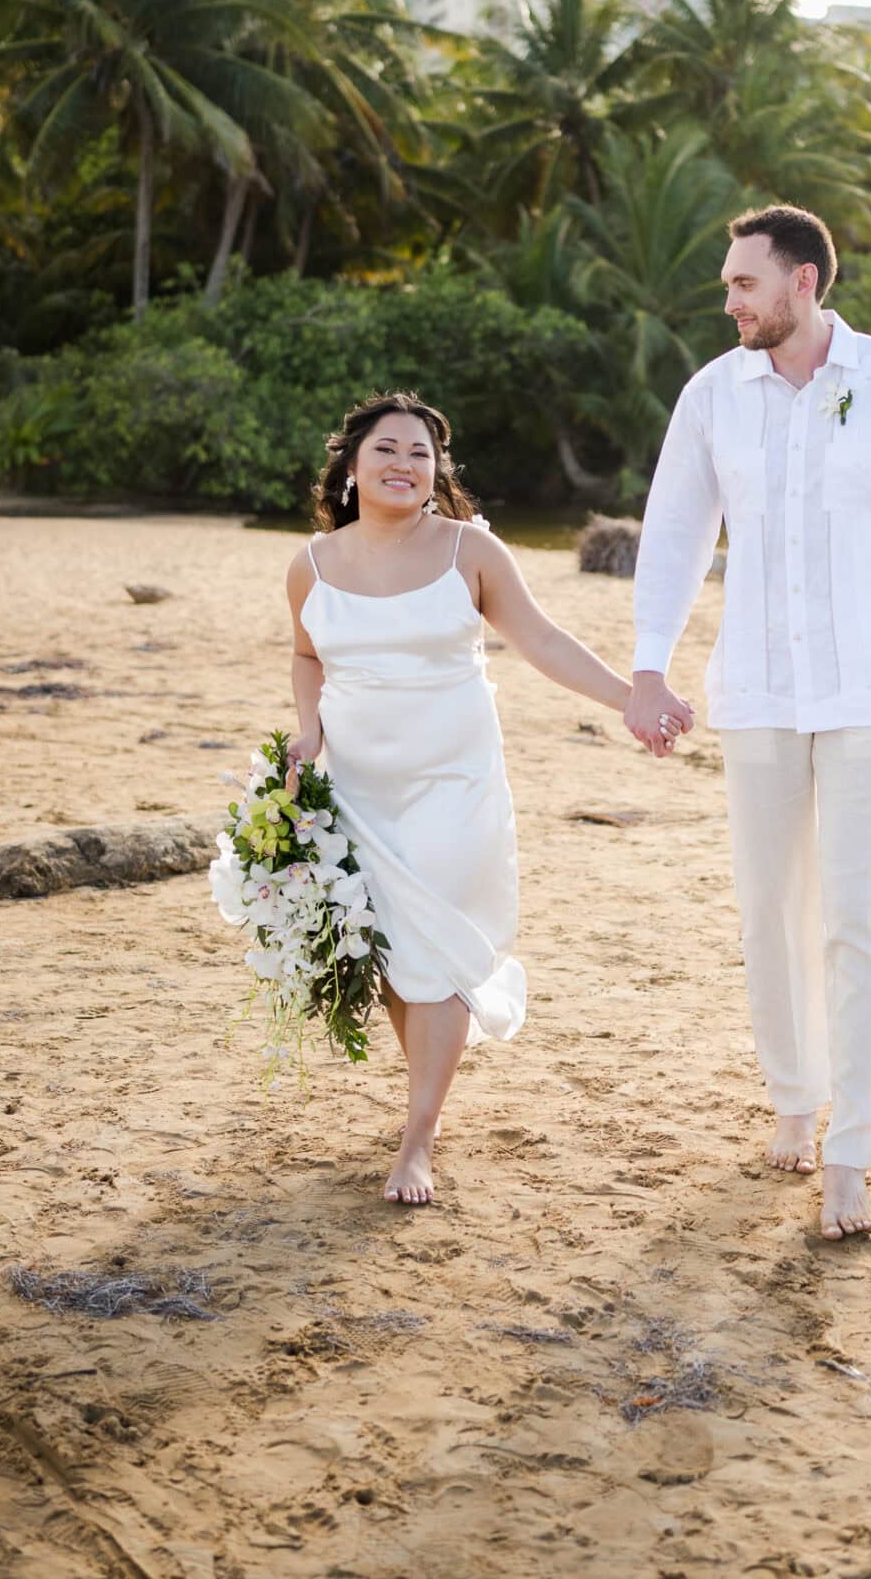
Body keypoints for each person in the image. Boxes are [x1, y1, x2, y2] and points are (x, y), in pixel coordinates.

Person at [625, 205, 871, 1241]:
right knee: (769, 911)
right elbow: (676, 530)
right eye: (728, 284)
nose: (728, 300)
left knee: (860, 922)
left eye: (744, 283)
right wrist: (649, 667)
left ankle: (855, 1154)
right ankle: (794, 1094)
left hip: (868, 691)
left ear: (803, 283)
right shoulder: (712, 395)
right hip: (756, 695)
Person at [285, 391, 635, 1207]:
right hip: (360, 789)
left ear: (438, 471)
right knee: (396, 963)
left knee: (436, 955)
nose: (405, 465)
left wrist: (628, 699)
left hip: (456, 782)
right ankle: (427, 1100)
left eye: (420, 454)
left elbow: (542, 638)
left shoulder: (468, 551)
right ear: (350, 468)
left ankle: (418, 1139)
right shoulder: (310, 564)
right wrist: (308, 733)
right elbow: (306, 655)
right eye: (388, 451)